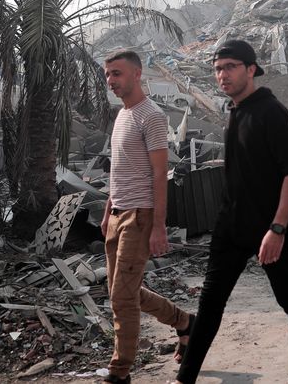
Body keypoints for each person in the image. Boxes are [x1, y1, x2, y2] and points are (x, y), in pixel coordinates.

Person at [176, 39, 288, 384]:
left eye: (230, 67)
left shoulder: (271, 112)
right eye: (217, 69)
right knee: (211, 302)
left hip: (268, 226)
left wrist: (278, 228)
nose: (221, 75)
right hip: (231, 224)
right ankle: (185, 378)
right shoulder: (233, 111)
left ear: (251, 69)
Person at [99, 51, 192, 384]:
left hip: (140, 216)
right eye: (108, 74)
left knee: (122, 297)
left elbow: (158, 173)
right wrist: (108, 207)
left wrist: (158, 226)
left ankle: (119, 371)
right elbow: (120, 168)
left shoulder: (150, 115)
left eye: (117, 74)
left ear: (137, 74)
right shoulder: (122, 115)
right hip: (117, 215)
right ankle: (184, 322)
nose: (111, 81)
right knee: (124, 292)